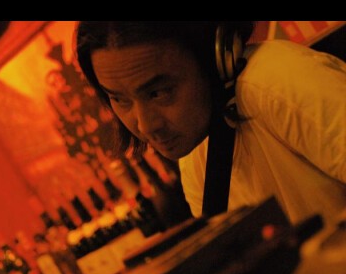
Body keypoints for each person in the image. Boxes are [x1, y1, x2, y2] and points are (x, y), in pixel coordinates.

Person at [75, 21, 346, 227]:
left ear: (212, 58)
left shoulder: (278, 83)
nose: (145, 125)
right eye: (119, 99)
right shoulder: (194, 156)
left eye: (158, 93)